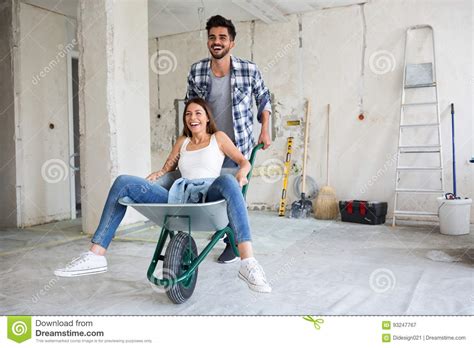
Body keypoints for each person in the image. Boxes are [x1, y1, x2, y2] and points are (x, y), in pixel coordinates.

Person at [54, 98, 271, 293]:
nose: (192, 117)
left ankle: (247, 262)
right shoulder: (182, 141)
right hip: (179, 194)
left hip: (209, 194)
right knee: (123, 182)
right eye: (188, 114)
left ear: (207, 118)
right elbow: (168, 167)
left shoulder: (218, 138)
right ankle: (96, 255)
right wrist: (159, 173)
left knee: (228, 181)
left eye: (198, 113)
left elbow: (243, 161)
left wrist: (242, 172)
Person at [186, 15, 272, 263]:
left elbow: (264, 99)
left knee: (234, 196)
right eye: (212, 37)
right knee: (210, 195)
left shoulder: (249, 70)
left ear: (232, 43)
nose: (217, 41)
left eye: (222, 37)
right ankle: (223, 234)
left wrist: (264, 129)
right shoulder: (197, 71)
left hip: (238, 147)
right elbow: (191, 108)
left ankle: (232, 244)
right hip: (209, 149)